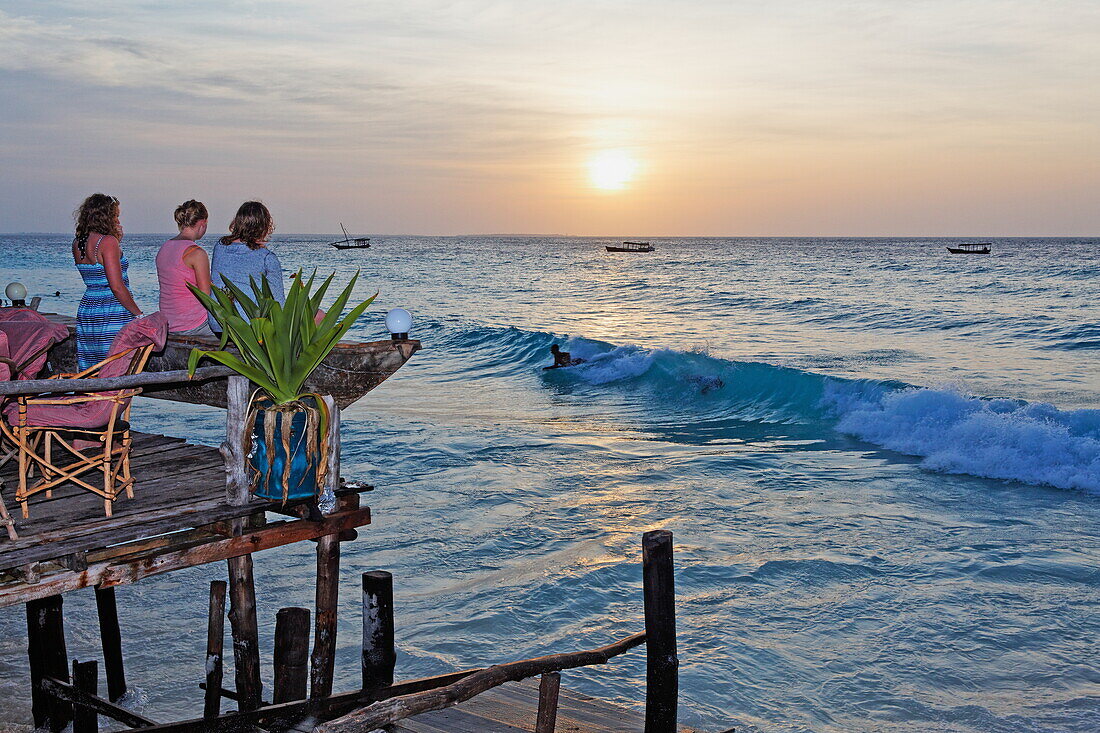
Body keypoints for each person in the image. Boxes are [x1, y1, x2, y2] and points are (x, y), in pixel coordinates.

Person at [72, 193, 142, 370]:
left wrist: (117, 241)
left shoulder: (78, 242)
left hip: (88, 309)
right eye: (115, 215)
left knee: (92, 370)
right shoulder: (107, 242)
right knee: (116, 368)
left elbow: (96, 276)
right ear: (106, 216)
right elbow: (117, 287)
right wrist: (139, 315)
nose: (117, 219)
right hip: (111, 311)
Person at [208, 201, 283, 331]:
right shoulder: (267, 257)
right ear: (264, 226)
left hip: (218, 324)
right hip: (247, 327)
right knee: (319, 315)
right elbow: (278, 303)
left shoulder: (219, 247)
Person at [156, 199, 214, 337]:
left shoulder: (164, 248)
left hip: (169, 323)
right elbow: (206, 296)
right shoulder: (197, 253)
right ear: (202, 223)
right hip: (193, 324)